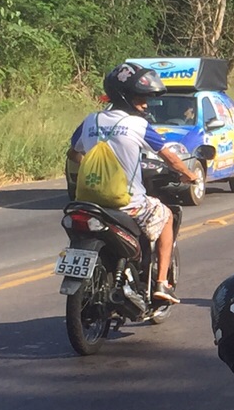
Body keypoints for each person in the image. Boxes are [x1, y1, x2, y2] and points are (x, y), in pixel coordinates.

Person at [67, 62, 199, 303]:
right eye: (140, 99)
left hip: (87, 202)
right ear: (125, 97)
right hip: (127, 204)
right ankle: (161, 283)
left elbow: (72, 153)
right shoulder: (138, 125)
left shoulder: (90, 121)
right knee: (166, 215)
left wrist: (92, 160)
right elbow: (167, 155)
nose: (145, 104)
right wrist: (188, 175)